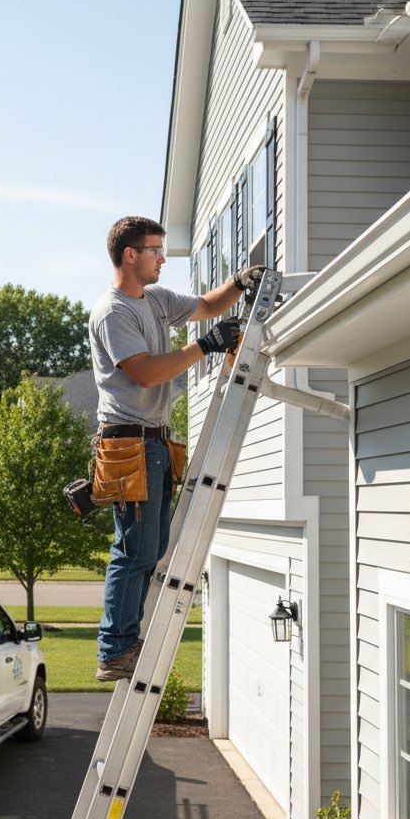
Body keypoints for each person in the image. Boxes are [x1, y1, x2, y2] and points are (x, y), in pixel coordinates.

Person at [89, 215, 263, 681]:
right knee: (133, 551)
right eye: (155, 250)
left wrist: (239, 282)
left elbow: (208, 304)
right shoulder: (114, 312)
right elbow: (144, 372)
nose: (163, 258)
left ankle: (126, 639)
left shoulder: (156, 300)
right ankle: (114, 650)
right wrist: (205, 346)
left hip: (155, 443)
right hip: (128, 444)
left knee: (153, 547)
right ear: (130, 254)